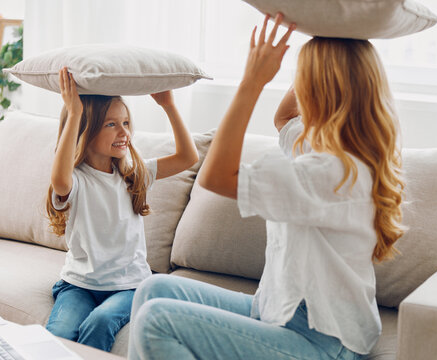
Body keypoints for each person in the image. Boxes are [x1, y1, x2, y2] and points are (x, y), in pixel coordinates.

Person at [129, 12, 404, 360]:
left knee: (158, 319)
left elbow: (217, 176)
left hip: (323, 341)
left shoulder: (331, 172)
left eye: (301, 78)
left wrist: (252, 82)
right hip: (281, 313)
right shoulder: (333, 148)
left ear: (318, 89)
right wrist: (322, 36)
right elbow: (285, 119)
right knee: (154, 289)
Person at [45, 67, 199, 352]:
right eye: (111, 124)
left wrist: (169, 106)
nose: (124, 132)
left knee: (101, 322)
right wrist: (74, 113)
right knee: (59, 333)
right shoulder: (77, 180)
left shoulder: (136, 173)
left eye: (126, 123)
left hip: (130, 286)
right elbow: (60, 179)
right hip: (79, 285)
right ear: (86, 131)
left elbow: (188, 157)